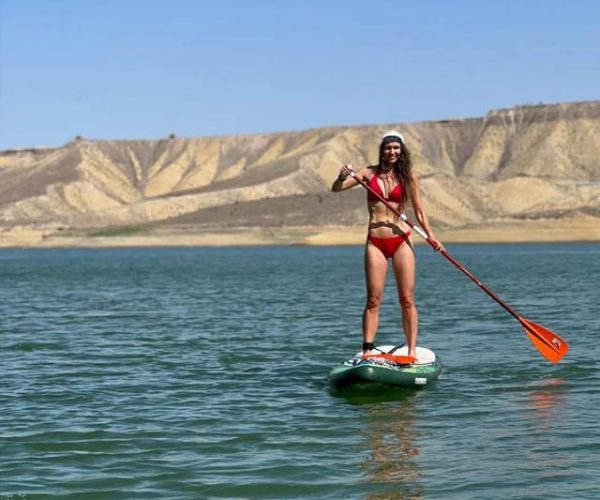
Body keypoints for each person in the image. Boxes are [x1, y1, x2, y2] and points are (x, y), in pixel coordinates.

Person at [331, 131, 444, 360]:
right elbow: (336, 188)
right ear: (382, 150)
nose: (392, 152)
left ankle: (411, 351)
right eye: (388, 148)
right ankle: (367, 349)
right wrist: (342, 177)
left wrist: (432, 236)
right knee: (373, 298)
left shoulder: (408, 177)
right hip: (375, 242)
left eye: (396, 148)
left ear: (401, 151)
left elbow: (420, 211)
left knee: (407, 298)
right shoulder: (367, 173)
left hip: (401, 240)